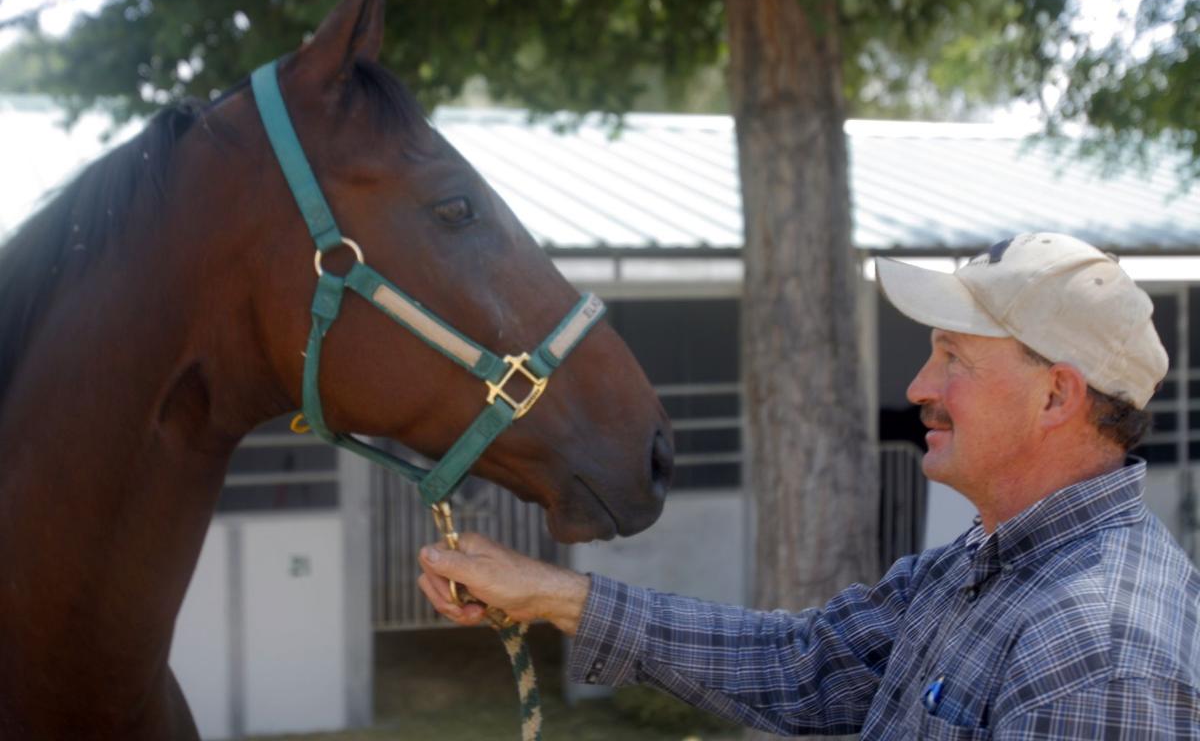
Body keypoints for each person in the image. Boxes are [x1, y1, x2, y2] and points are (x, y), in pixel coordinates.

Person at [419, 232, 1200, 737]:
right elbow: (802, 665)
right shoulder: (982, 563)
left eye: (954, 358)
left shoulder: (1102, 650)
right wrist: (553, 595)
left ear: (1056, 397)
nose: (920, 386)